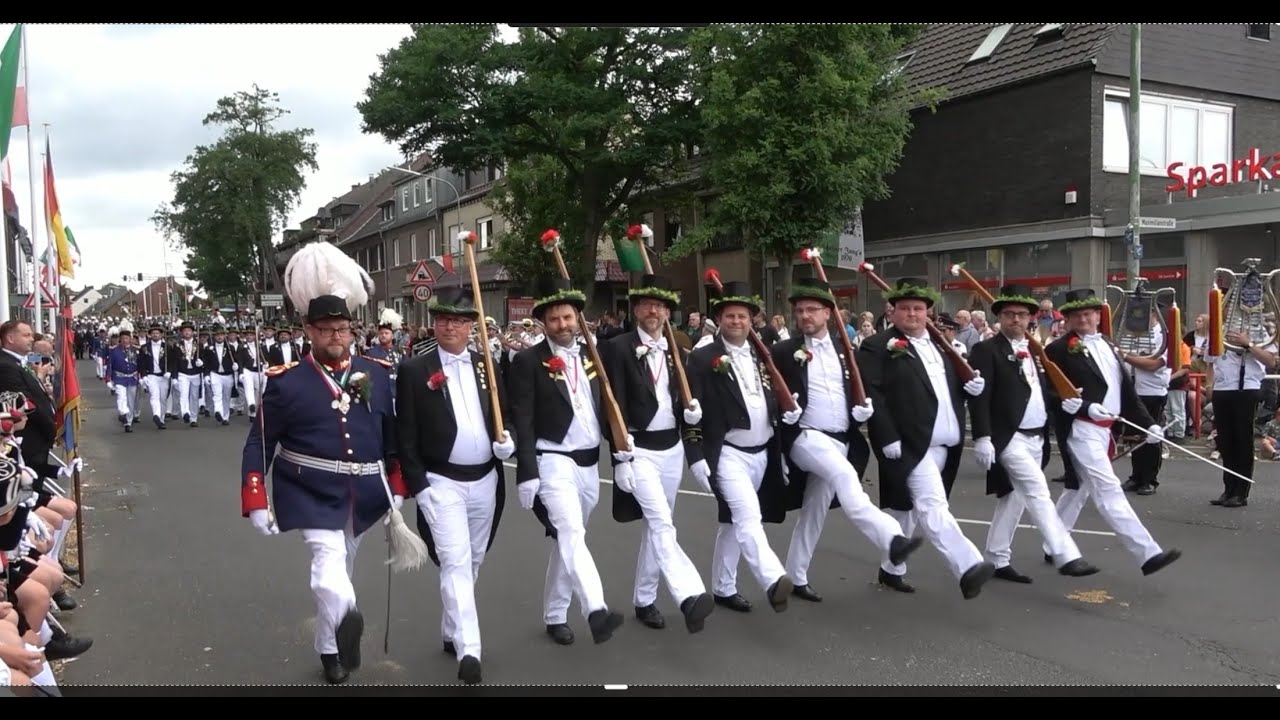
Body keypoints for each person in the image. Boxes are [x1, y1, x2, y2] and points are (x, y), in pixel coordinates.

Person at [240, 243, 409, 684]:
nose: (336, 336)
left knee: (341, 568)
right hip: (309, 491)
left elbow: (391, 434)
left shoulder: (375, 372)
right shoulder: (286, 382)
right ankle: (349, 620)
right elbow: (258, 442)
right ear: (308, 332)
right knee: (327, 563)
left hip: (364, 493)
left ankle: (329, 647)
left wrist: (397, 483)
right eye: (326, 329)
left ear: (352, 329)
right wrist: (256, 496)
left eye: (342, 328)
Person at [773, 278, 923, 602]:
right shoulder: (785, 351)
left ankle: (796, 577)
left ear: (828, 313)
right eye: (799, 311)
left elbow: (852, 391)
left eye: (812, 309)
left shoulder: (845, 350)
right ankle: (891, 538)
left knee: (815, 510)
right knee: (845, 477)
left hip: (840, 438)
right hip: (806, 437)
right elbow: (775, 398)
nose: (805, 316)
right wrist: (781, 439)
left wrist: (861, 410)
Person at [396, 287, 512, 685]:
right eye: (443, 319)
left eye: (459, 321)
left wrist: (505, 440)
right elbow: (405, 434)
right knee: (456, 561)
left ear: (470, 327)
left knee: (473, 560)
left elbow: (503, 413)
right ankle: (470, 649)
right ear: (435, 323)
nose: (450, 326)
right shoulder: (415, 370)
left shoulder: (488, 367)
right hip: (441, 481)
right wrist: (420, 487)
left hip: (486, 480)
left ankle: (452, 629)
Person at [858, 278, 996, 599]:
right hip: (909, 442)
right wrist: (887, 435)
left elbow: (943, 391)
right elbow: (872, 394)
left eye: (918, 308)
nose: (912, 314)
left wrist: (969, 388)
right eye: (904, 308)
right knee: (933, 506)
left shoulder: (940, 347)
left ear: (928, 312)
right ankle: (968, 566)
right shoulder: (877, 346)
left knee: (905, 509)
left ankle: (891, 569)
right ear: (892, 312)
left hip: (945, 443)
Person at [509, 276, 624, 647]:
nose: (562, 325)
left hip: (590, 464)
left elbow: (606, 407)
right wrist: (527, 472)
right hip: (553, 460)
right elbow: (522, 419)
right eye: (555, 319)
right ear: (544, 323)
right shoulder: (529, 361)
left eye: (568, 317)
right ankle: (596, 608)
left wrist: (624, 449)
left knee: (567, 541)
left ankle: (556, 614)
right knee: (571, 532)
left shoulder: (595, 354)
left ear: (579, 318)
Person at [602, 273, 714, 633]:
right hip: (640, 449)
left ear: (668, 311)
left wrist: (691, 414)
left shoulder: (677, 348)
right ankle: (689, 593)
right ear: (636, 309)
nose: (654, 311)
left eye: (661, 305)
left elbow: (682, 397)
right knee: (661, 521)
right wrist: (620, 455)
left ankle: (645, 599)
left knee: (657, 527)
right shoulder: (618, 348)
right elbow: (610, 403)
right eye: (648, 304)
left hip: (672, 448)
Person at [966, 284, 1099, 582]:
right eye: (1010, 314)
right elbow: (980, 396)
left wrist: (1066, 399)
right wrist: (983, 437)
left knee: (1015, 497)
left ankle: (997, 559)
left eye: (1022, 315)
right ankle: (1066, 554)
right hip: (1008, 436)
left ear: (1031, 318)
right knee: (1037, 489)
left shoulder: (1035, 350)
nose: (1016, 320)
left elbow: (1039, 392)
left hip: (1037, 436)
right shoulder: (986, 350)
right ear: (999, 317)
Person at [1043, 288, 1181, 575]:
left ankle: (1053, 544)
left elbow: (1127, 392)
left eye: (1088, 313)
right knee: (1108, 491)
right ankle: (1148, 553)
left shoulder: (1108, 343)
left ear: (1097, 315)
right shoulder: (1058, 348)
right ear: (1067, 319)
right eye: (1076, 315)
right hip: (1081, 429)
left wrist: (1148, 424)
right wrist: (1083, 407)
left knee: (1078, 489)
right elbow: (1049, 393)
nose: (1083, 319)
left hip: (1106, 431)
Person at [685, 279, 797, 613]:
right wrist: (696, 456)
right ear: (719, 319)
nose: (737, 322)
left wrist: (789, 413)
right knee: (749, 516)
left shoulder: (765, 354)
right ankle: (774, 578)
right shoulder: (704, 358)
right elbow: (690, 413)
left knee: (733, 524)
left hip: (763, 450)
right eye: (730, 316)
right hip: (729, 454)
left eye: (743, 316)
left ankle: (723, 586)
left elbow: (775, 395)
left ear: (752, 320)